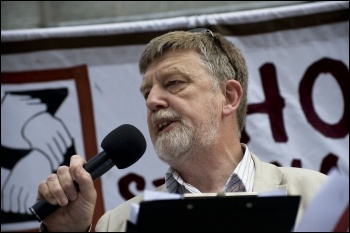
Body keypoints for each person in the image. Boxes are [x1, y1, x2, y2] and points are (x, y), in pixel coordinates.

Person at [35, 28, 328, 232]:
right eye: (146, 93)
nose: (152, 102)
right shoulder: (117, 224)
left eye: (174, 83)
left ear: (228, 97)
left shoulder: (318, 197)